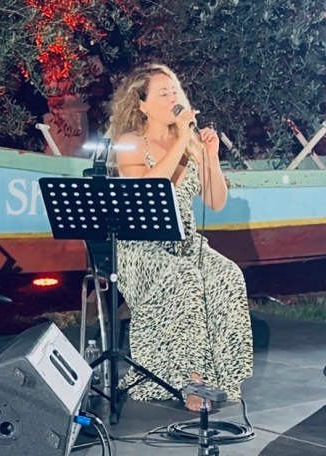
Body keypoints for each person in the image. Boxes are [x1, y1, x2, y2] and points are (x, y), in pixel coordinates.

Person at [105, 63, 253, 411]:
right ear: (142, 104)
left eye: (175, 90)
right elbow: (146, 191)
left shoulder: (191, 143)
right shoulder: (129, 144)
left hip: (186, 242)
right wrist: (182, 141)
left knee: (227, 274)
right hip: (141, 248)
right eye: (163, 93)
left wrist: (210, 158)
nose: (173, 97)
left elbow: (215, 202)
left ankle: (222, 376)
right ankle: (192, 381)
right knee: (183, 276)